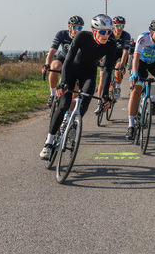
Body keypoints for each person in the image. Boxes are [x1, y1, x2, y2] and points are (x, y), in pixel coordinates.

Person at [39, 14, 118, 160]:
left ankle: (74, 124)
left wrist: (105, 94)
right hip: (72, 70)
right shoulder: (82, 36)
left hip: (89, 73)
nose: (106, 35)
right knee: (63, 105)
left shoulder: (111, 44)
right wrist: (63, 82)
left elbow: (106, 70)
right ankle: (48, 143)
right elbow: (68, 59)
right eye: (102, 31)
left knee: (86, 97)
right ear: (94, 31)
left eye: (109, 31)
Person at [42, 15, 84, 107]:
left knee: (75, 88)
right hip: (63, 57)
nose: (78, 30)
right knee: (54, 67)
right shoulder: (62, 34)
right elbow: (52, 50)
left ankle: (68, 115)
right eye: (76, 27)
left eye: (80, 28)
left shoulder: (82, 37)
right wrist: (47, 64)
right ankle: (52, 94)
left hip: (74, 61)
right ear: (70, 26)